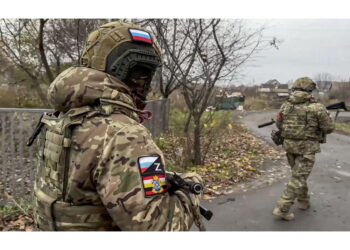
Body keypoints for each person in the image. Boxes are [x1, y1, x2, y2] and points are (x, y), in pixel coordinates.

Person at [32, 21, 203, 231]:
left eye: (147, 73)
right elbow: (160, 228)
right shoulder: (124, 134)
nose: (145, 84)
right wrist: (192, 188)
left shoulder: (64, 116)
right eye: (138, 72)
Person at [272, 77, 334, 221]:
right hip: (307, 148)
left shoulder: (286, 105)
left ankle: (304, 201)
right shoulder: (317, 107)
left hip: (289, 146)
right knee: (298, 177)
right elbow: (329, 128)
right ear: (310, 90)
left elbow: (279, 125)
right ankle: (282, 208)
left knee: (298, 176)